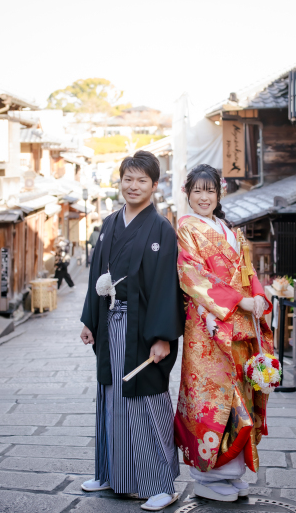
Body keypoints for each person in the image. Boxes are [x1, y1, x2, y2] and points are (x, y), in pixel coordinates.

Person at [79, 150, 183, 511]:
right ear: (120, 181)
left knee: (146, 399)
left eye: (142, 180)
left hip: (144, 326)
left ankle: (161, 484)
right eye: (128, 178)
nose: (133, 186)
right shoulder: (109, 223)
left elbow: (166, 284)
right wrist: (89, 319)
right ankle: (111, 474)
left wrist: (162, 337)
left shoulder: (161, 229)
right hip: (110, 322)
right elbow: (97, 276)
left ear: (155, 185)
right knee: (110, 396)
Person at [174, 164, 273, 502]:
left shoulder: (228, 228)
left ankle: (232, 472)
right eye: (197, 191)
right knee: (212, 397)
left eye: (210, 191)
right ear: (188, 193)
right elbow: (191, 274)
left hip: (241, 325)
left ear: (220, 193)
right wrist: (240, 300)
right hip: (208, 325)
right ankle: (208, 476)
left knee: (240, 395)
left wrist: (258, 295)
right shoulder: (186, 228)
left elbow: (248, 270)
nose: (204, 197)